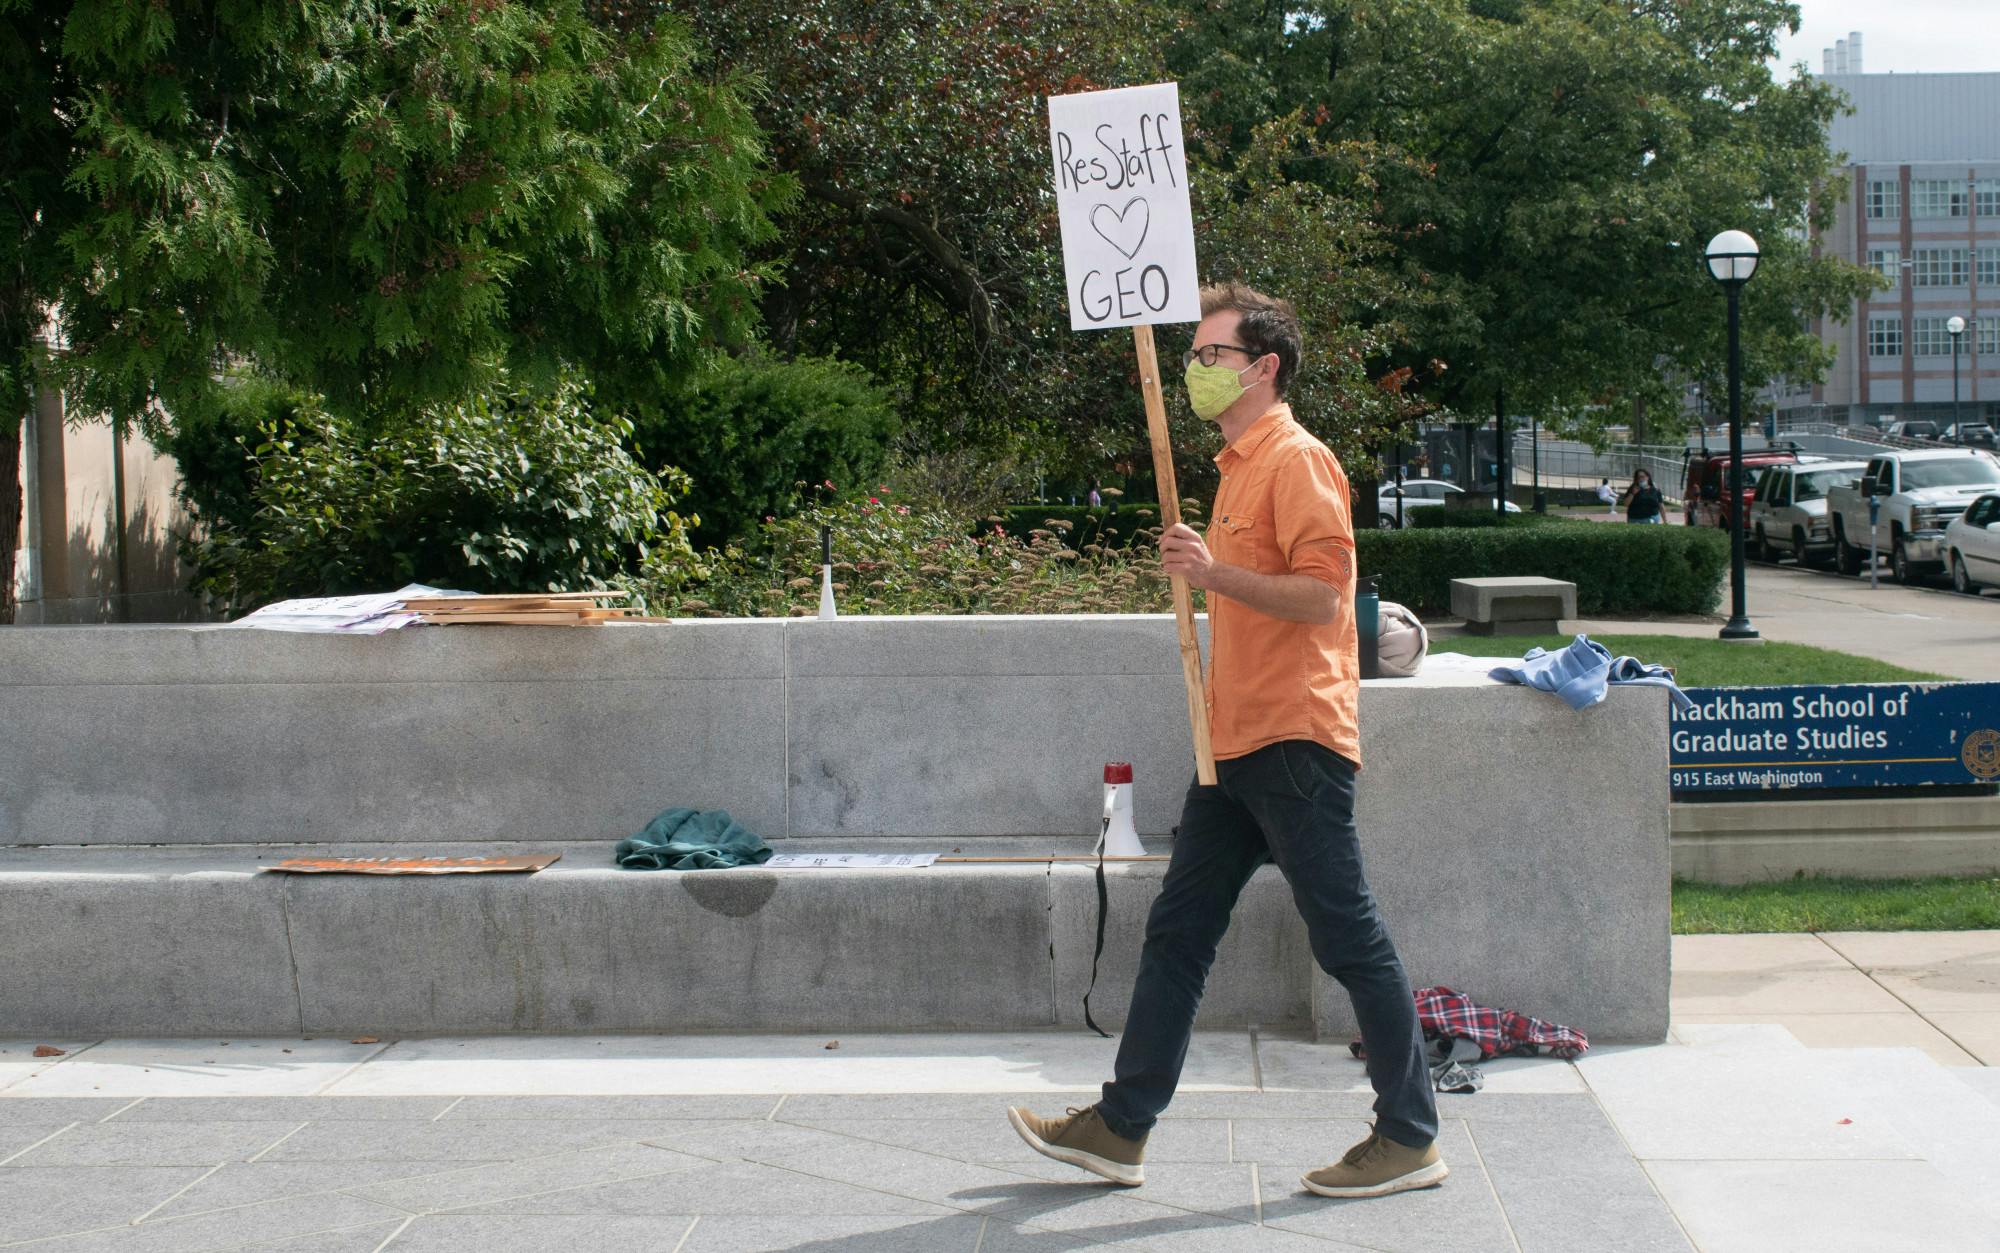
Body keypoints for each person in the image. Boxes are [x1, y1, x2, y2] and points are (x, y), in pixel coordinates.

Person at [1007, 284, 1444, 1200]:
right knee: (1178, 933)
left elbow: (1326, 597)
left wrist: (1214, 573)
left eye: (1210, 356)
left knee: (1346, 935)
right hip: (1231, 748)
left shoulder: (1298, 460)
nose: (1195, 371)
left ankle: (1409, 1133)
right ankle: (1121, 1128)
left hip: (1294, 739)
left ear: (1264, 367)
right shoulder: (1236, 466)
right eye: (1194, 356)